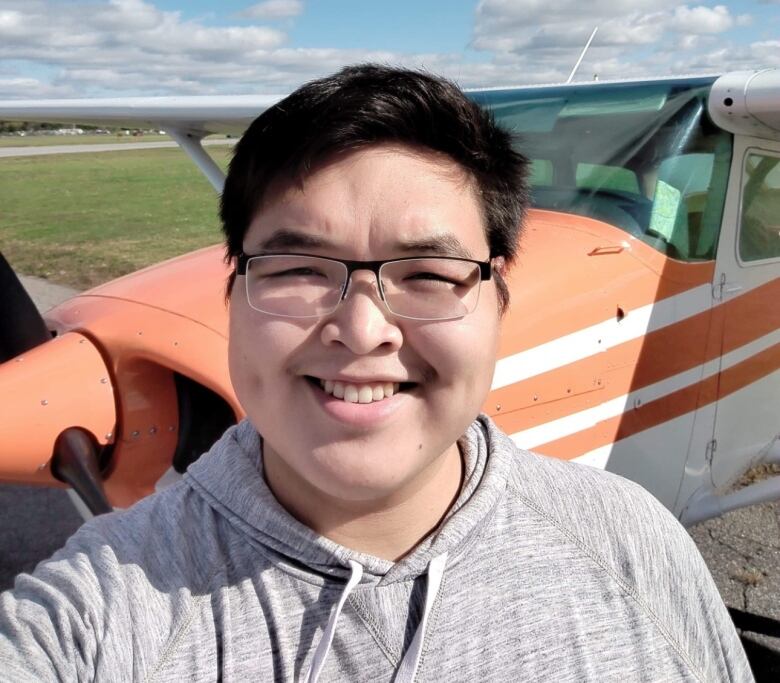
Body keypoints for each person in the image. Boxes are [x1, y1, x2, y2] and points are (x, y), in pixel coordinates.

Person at [0, 64, 752, 682]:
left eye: (430, 271)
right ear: (233, 289)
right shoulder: (98, 609)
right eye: (296, 267)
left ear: (499, 298)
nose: (361, 330)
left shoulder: (636, 546)